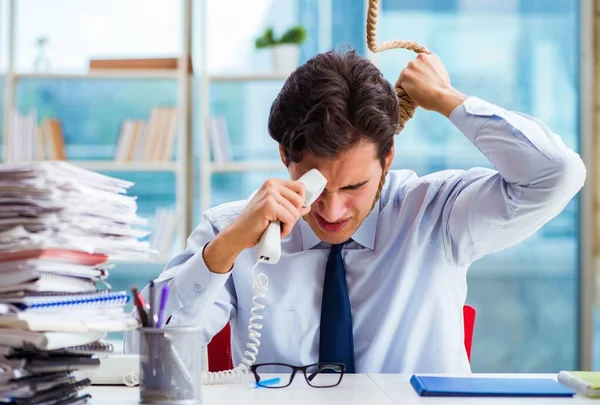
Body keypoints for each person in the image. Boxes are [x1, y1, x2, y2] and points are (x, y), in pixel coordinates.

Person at [124, 49, 586, 374]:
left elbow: (556, 174)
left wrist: (447, 99)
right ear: (287, 157)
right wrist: (223, 252)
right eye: (318, 185)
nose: (332, 209)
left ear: (387, 161)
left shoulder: (435, 214)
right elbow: (142, 353)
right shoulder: (234, 230)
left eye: (355, 186)